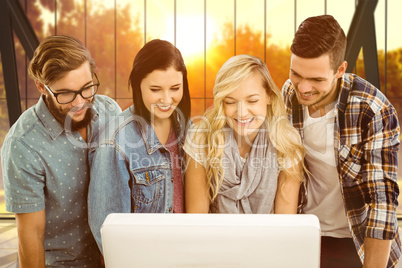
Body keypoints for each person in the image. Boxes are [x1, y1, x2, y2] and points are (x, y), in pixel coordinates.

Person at [282, 15, 401, 267]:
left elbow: (382, 202)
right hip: (307, 235)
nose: (302, 88)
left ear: (340, 70)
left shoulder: (373, 109)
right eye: (296, 73)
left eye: (316, 80)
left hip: (356, 241)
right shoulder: (288, 95)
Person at [1, 35, 121, 267]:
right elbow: (31, 236)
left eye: (87, 88)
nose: (80, 103)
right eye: (66, 93)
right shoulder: (23, 145)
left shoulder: (110, 111)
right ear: (41, 87)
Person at [88, 39, 192, 252]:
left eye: (175, 88)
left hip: (186, 254)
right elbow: (108, 233)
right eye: (155, 89)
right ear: (138, 86)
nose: (167, 99)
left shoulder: (187, 129)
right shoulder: (116, 142)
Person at [184, 54, 305, 214]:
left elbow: (284, 224)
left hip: (267, 238)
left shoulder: (286, 142)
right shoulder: (200, 140)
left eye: (252, 101)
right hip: (214, 237)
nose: (241, 113)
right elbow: (197, 222)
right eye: (230, 102)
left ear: (269, 96)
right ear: (221, 102)